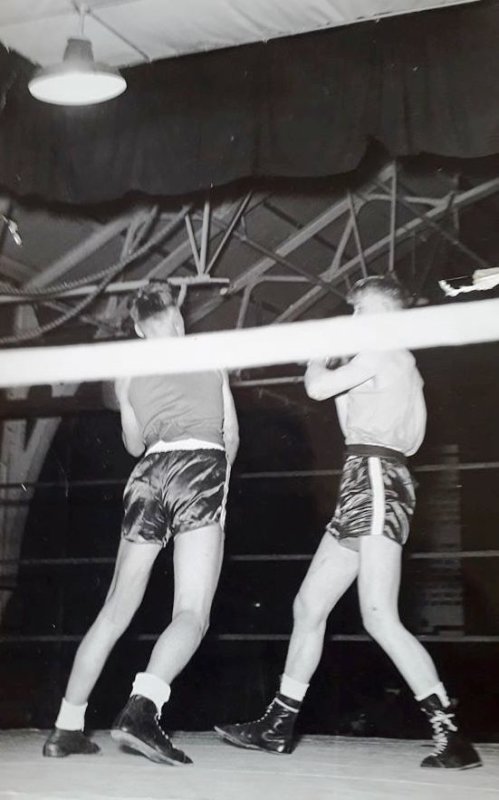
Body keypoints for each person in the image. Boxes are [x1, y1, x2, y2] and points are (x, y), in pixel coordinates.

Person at [215, 275, 481, 770]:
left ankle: (451, 733)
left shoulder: (385, 353)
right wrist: (335, 362)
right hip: (368, 477)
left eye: (360, 311)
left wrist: (318, 355)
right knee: (309, 604)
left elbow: (316, 388)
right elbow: (346, 421)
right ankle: (279, 723)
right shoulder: (396, 365)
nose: (354, 319)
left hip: (376, 478)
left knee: (379, 614)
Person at [43, 282, 239, 765]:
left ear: (136, 327)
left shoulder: (128, 372)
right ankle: (142, 707)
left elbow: (133, 443)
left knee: (115, 608)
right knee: (192, 610)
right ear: (178, 315)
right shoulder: (210, 356)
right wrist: (220, 493)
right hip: (200, 467)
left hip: (148, 476)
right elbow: (229, 434)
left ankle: (67, 727)